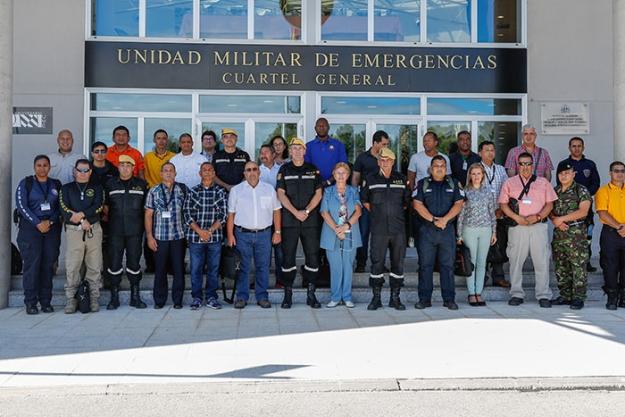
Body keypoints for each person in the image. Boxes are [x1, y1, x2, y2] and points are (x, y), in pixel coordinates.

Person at [499, 152, 557, 307]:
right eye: (522, 164)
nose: (525, 167)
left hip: (538, 226)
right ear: (518, 165)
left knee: (542, 261)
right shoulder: (509, 182)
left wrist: (537, 217)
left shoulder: (543, 182)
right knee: (515, 261)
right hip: (518, 227)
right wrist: (517, 218)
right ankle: (516, 293)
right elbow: (503, 204)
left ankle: (543, 295)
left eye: (528, 164)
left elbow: (550, 204)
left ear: (533, 165)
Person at [360, 148, 411, 311]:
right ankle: (376, 298)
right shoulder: (370, 179)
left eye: (388, 159)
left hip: (398, 230)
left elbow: (406, 203)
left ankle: (395, 298)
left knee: (398, 264)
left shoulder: (401, 179)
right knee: (377, 263)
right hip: (379, 229)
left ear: (393, 161)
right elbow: (365, 201)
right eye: (382, 159)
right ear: (378, 161)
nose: (385, 162)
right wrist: (378, 213)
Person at [226, 161, 282, 309]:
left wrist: (277, 232)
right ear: (244, 173)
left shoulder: (269, 189)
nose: (251, 172)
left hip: (264, 234)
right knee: (243, 267)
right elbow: (231, 215)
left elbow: (276, 211)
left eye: (254, 169)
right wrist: (230, 235)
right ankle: (241, 297)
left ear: (259, 172)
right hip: (242, 234)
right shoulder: (236, 190)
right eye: (248, 170)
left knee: (263, 266)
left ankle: (262, 296)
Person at [276, 138, 323, 308]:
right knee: (288, 258)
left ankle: (311, 294)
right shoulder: (284, 169)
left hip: (310, 221)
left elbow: (318, 194)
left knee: (312, 256)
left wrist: (307, 211)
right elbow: (280, 194)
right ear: (290, 151)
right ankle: (288, 294)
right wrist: (296, 212)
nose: (296, 151)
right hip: (289, 221)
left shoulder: (313, 170)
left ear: (304, 151)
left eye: (299, 148)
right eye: (293, 148)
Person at [413, 156, 465, 310]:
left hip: (447, 231)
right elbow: (417, 204)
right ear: (431, 168)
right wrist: (433, 219)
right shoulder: (423, 184)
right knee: (425, 266)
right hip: (427, 232)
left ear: (446, 168)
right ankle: (424, 299)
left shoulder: (454, 183)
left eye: (442, 165)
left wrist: (445, 220)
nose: (439, 168)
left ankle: (449, 299)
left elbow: (459, 203)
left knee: (447, 266)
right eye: (436, 165)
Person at [15, 155, 62, 314]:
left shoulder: (56, 184)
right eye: (39, 165)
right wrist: (37, 223)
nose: (42, 168)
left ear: (50, 167)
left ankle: (46, 302)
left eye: (45, 165)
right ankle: (31, 302)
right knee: (32, 266)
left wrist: (50, 222)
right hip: (30, 229)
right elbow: (22, 206)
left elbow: (60, 208)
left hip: (51, 229)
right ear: (34, 167)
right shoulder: (26, 183)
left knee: (47, 266)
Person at [59, 159, 105, 313]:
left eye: (86, 170)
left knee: (94, 264)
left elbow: (98, 206)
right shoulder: (66, 189)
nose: (83, 173)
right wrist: (81, 220)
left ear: (91, 172)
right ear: (74, 171)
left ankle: (93, 298)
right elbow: (64, 208)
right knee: (73, 265)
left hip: (93, 229)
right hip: (74, 231)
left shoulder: (97, 188)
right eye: (80, 170)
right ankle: (71, 299)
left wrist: (84, 216)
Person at [104, 155, 148, 310]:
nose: (125, 168)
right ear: (118, 167)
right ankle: (114, 297)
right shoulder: (110, 184)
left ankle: (135, 297)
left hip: (135, 231)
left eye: (128, 165)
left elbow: (146, 210)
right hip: (115, 231)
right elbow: (105, 208)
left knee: (134, 264)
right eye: (122, 165)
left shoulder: (142, 185)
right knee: (114, 264)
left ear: (133, 167)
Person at [183, 162, 227, 310]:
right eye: (204, 170)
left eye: (210, 170)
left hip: (214, 238)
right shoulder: (192, 192)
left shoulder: (220, 192)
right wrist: (200, 231)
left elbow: (224, 214)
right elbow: (187, 214)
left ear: (214, 173)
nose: (207, 172)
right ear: (200, 174)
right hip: (196, 238)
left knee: (213, 269)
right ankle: (196, 297)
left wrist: (210, 231)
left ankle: (211, 297)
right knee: (196, 269)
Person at [145, 162, 188, 309]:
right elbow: (148, 215)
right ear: (161, 174)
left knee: (178, 270)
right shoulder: (154, 191)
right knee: (160, 270)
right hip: (160, 237)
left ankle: (178, 300)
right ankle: (159, 300)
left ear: (175, 174)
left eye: (171, 170)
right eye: (165, 171)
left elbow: (187, 213)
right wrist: (150, 237)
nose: (168, 173)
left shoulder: (182, 190)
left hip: (178, 237)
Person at [550, 161, 591, 310]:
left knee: (578, 266)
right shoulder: (555, 191)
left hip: (576, 234)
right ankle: (565, 295)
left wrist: (562, 219)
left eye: (567, 173)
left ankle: (578, 297)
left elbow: (583, 211)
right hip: (560, 234)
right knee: (561, 267)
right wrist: (556, 220)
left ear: (573, 174)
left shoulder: (581, 190)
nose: (564, 175)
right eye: (561, 173)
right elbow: (549, 209)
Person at [320, 162, 362, 308]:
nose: (341, 175)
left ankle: (347, 297)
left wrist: (346, 226)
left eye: (344, 173)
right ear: (333, 174)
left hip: (350, 232)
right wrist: (337, 229)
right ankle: (335, 297)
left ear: (348, 175)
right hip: (331, 233)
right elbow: (324, 212)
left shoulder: (353, 191)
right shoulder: (328, 191)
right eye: (338, 172)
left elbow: (358, 211)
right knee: (336, 266)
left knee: (348, 265)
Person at [558, 137, 601, 272]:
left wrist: (584, 196)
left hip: (585, 207)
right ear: (569, 147)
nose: (576, 148)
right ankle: (568, 264)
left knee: (586, 235)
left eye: (579, 146)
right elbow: (560, 184)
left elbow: (596, 183)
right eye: (574, 146)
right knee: (566, 235)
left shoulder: (590, 164)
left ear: (583, 147)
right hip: (567, 208)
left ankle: (586, 262)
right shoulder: (563, 164)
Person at [457, 163, 497, 307]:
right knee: (471, 262)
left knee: (482, 262)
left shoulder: (488, 192)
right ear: (469, 176)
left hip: (486, 230)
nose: (476, 177)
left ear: (483, 175)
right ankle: (471, 293)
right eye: (473, 174)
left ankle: (479, 292)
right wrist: (459, 233)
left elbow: (492, 213)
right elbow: (461, 214)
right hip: (469, 229)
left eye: (478, 174)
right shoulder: (465, 191)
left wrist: (494, 232)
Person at [352, 130, 390, 273]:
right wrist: (355, 199)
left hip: (382, 203)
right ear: (375, 143)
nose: (386, 147)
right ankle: (361, 263)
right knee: (363, 233)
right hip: (365, 201)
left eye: (387, 144)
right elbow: (355, 178)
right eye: (383, 144)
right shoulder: (363, 158)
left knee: (381, 235)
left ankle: (380, 264)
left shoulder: (387, 157)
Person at [143, 129, 176, 273]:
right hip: (153, 194)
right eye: (158, 138)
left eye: (164, 138)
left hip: (170, 195)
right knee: (151, 229)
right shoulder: (148, 157)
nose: (161, 141)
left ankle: (169, 265)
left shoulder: (174, 156)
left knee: (169, 232)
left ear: (167, 141)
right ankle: (151, 265)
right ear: (154, 140)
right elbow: (143, 174)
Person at [479, 140, 511, 288]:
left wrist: (500, 209)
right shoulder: (476, 169)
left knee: (499, 246)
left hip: (499, 214)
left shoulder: (500, 169)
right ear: (480, 153)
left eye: (492, 150)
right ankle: (482, 277)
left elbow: (506, 190)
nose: (490, 152)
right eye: (487, 150)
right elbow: (472, 190)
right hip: (481, 216)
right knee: (482, 247)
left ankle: (498, 277)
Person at [595, 161, 625, 310]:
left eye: (622, 171)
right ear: (610, 173)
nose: (619, 173)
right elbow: (602, 213)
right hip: (610, 234)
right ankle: (612, 297)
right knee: (610, 266)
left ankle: (623, 297)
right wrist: (619, 226)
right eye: (616, 171)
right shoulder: (603, 191)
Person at [259, 143, 284, 286]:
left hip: (280, 213)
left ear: (274, 154)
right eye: (261, 153)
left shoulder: (282, 169)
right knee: (263, 251)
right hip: (262, 215)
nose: (263, 155)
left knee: (280, 249)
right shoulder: (257, 171)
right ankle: (262, 280)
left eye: (266, 152)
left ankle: (280, 280)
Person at [305, 118, 348, 182]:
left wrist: (329, 181)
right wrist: (318, 182)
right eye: (319, 126)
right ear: (315, 128)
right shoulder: (308, 146)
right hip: (314, 185)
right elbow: (306, 167)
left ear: (328, 127)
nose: (321, 128)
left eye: (324, 125)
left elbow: (343, 166)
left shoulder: (338, 145)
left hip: (335, 184)